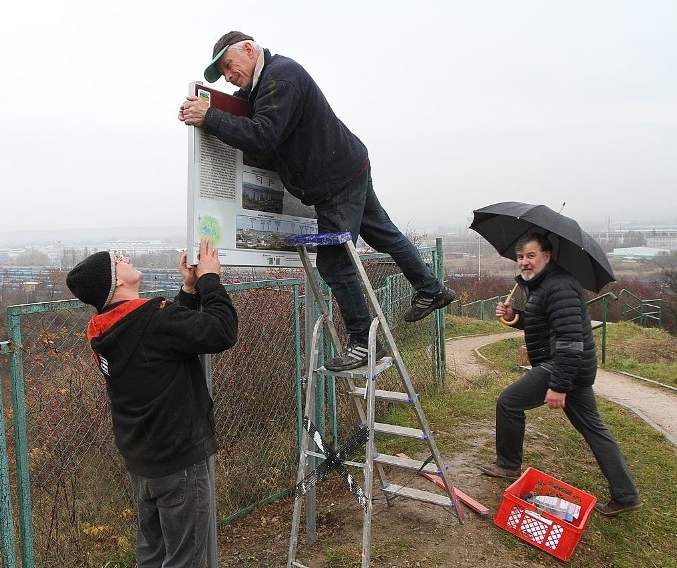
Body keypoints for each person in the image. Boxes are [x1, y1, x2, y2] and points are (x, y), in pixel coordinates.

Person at [178, 31, 455, 372]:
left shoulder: (280, 78)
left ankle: (364, 343)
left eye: (229, 67)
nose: (229, 76)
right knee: (383, 234)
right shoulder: (269, 81)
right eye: (223, 74)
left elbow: (264, 135)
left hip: (335, 180)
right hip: (348, 166)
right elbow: (255, 110)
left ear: (249, 50)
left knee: (334, 264)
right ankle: (431, 288)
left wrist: (210, 117)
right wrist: (222, 105)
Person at [65, 239, 238, 566]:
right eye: (120, 259)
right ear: (116, 280)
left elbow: (164, 341)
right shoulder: (154, 319)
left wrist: (188, 290)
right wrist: (210, 280)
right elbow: (221, 331)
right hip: (178, 460)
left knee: (153, 554)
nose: (127, 258)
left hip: (145, 463)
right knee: (184, 559)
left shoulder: (104, 331)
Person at [481, 232, 642, 517]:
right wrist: (514, 315)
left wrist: (558, 386)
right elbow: (545, 324)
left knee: (509, 402)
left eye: (531, 255)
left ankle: (507, 464)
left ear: (547, 256)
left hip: (563, 365)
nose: (524, 262)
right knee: (594, 429)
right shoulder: (545, 286)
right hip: (574, 368)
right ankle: (626, 495)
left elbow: (569, 340)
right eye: (520, 257)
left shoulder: (559, 287)